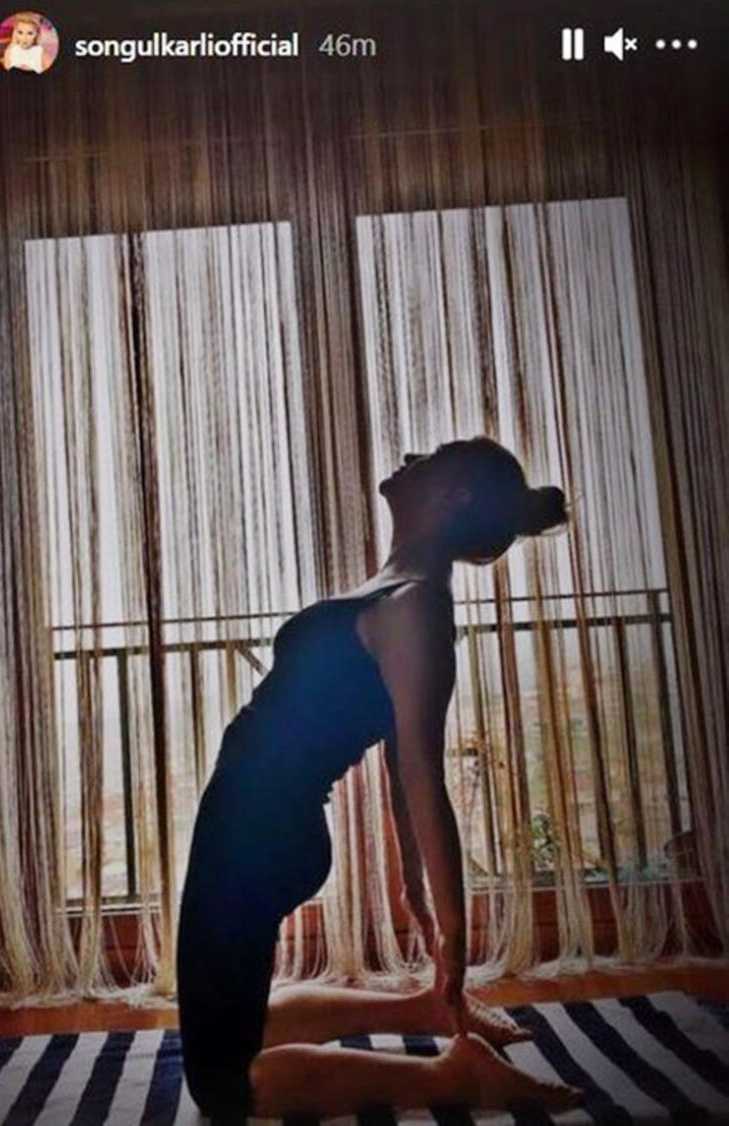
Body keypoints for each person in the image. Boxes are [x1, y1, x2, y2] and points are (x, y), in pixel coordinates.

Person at [177, 436, 581, 1122]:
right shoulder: (397, 587)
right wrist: (411, 886)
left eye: (432, 455)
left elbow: (421, 770)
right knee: (244, 1023)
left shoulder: (416, 606)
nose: (412, 456)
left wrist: (452, 932)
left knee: (223, 1087)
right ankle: (420, 1010)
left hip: (256, 837)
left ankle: (457, 1077)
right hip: (249, 829)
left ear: (452, 495)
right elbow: (398, 765)